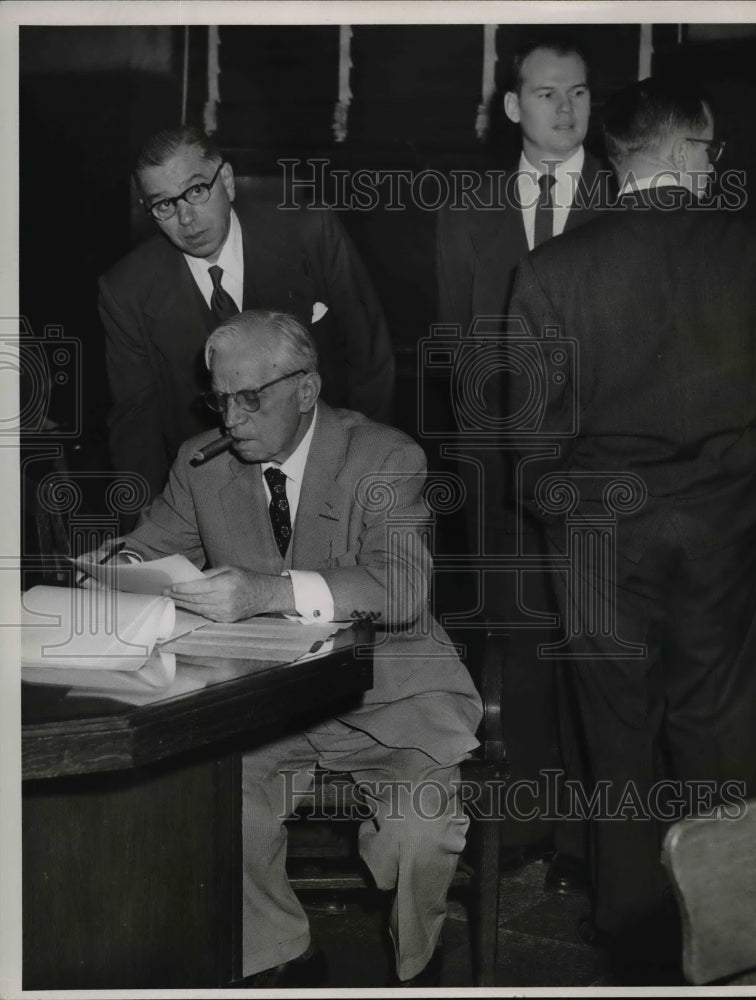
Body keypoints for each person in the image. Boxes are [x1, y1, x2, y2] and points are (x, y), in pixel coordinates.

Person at [90, 309, 482, 987]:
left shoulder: (386, 458)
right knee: (210, 803)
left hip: (393, 696)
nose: (232, 419)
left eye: (251, 398)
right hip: (265, 707)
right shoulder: (200, 464)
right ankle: (282, 955)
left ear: (307, 388)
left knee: (419, 836)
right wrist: (113, 565)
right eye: (220, 399)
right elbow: (151, 549)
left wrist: (265, 592)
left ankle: (419, 968)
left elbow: (402, 588)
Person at [506, 77, 756, 979]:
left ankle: (633, 938)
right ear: (684, 150)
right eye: (710, 151)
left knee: (614, 736)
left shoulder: (551, 272)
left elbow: (532, 448)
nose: (714, 166)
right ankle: (727, 931)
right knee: (722, 728)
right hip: (729, 527)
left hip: (598, 534)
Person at [436, 36, 611, 893]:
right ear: (512, 106)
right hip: (497, 470)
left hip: (595, 467)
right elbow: (459, 345)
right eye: (546, 95)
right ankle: (531, 827)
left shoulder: (620, 197)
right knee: (516, 644)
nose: (565, 110)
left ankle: (588, 843)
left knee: (596, 647)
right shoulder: (467, 204)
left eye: (577, 94)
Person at [99, 126, 395, 502]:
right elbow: (134, 429)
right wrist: (144, 543)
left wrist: (366, 477)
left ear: (226, 180)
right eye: (164, 205)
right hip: (209, 495)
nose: (186, 219)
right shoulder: (126, 289)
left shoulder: (311, 233)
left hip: (327, 474)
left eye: (195, 191)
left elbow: (370, 362)